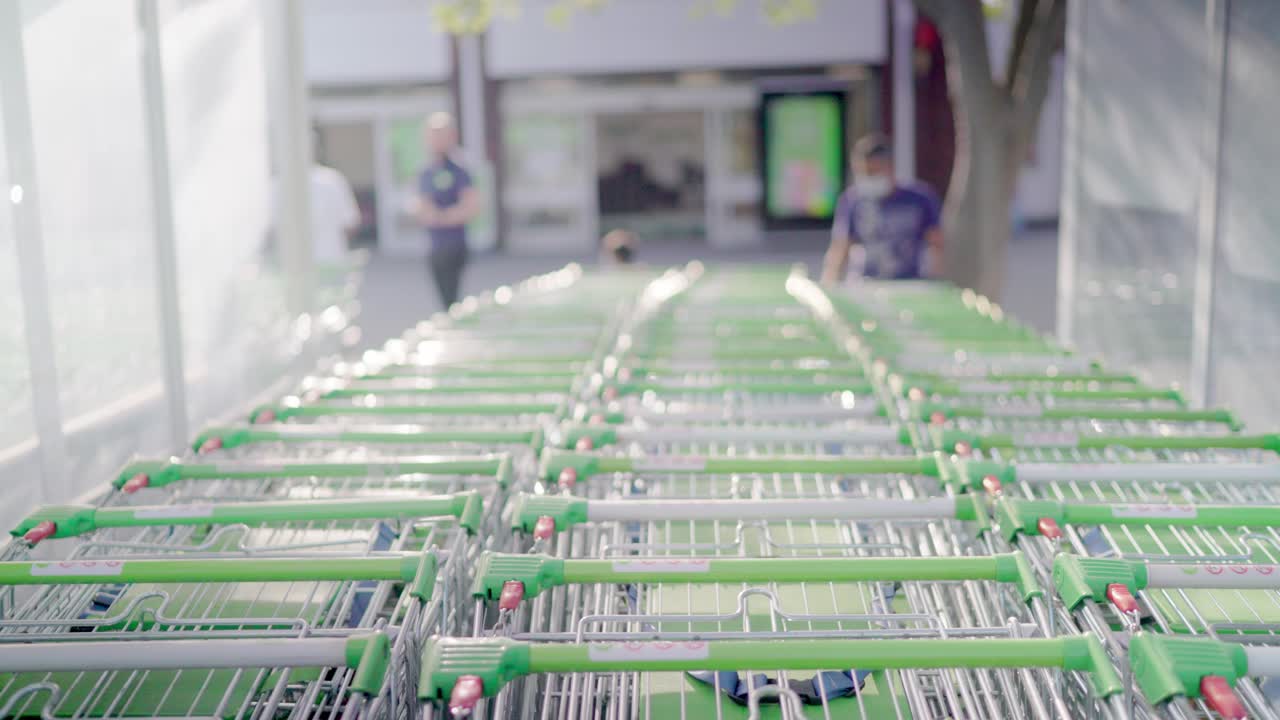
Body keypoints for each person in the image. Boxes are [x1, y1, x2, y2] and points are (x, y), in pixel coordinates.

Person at [821, 134, 942, 285]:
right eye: (863, 173)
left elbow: (937, 245)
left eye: (873, 172)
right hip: (866, 284)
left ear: (889, 167)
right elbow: (841, 248)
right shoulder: (852, 200)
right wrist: (830, 283)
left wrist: (936, 283)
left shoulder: (920, 198)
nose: (868, 178)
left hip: (910, 284)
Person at [415, 112, 481, 308]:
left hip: (455, 244)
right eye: (432, 135)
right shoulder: (427, 170)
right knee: (443, 298)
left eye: (440, 134)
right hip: (435, 245)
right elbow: (421, 205)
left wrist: (442, 217)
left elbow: (471, 205)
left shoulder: (459, 168)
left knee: (451, 297)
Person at [309, 128, 361, 268]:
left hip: (293, 267)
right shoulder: (332, 180)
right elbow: (351, 223)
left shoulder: (277, 184)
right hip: (331, 260)